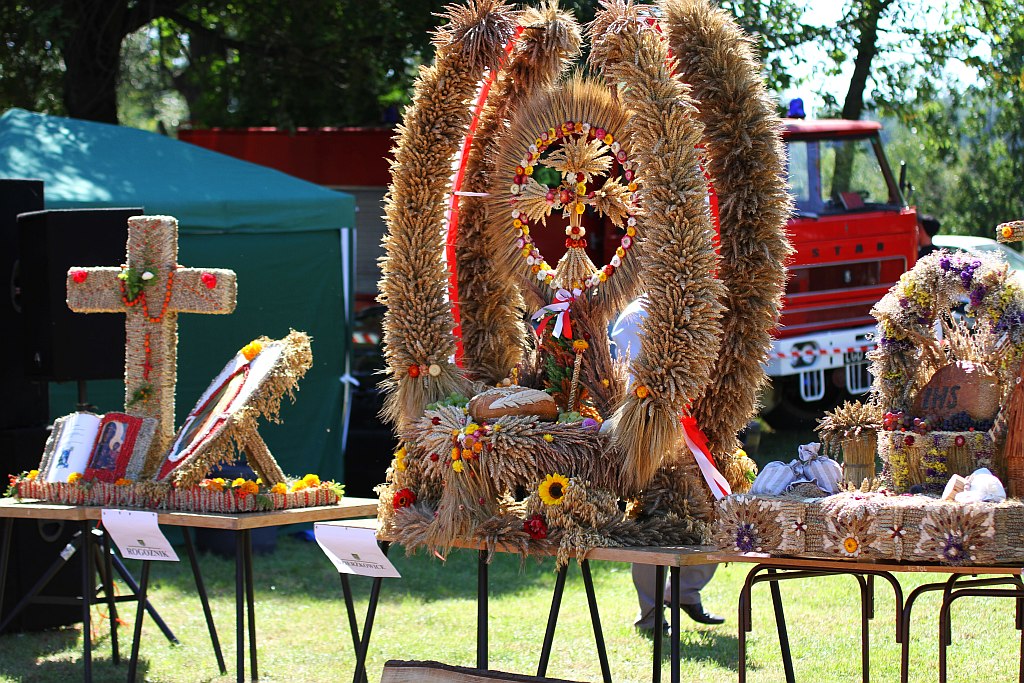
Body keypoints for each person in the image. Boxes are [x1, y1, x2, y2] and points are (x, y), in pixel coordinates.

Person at [610, 298, 725, 631]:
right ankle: (649, 614)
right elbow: (634, 375)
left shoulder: (698, 304)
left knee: (716, 507)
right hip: (652, 430)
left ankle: (685, 593)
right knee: (653, 520)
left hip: (698, 428)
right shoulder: (637, 314)